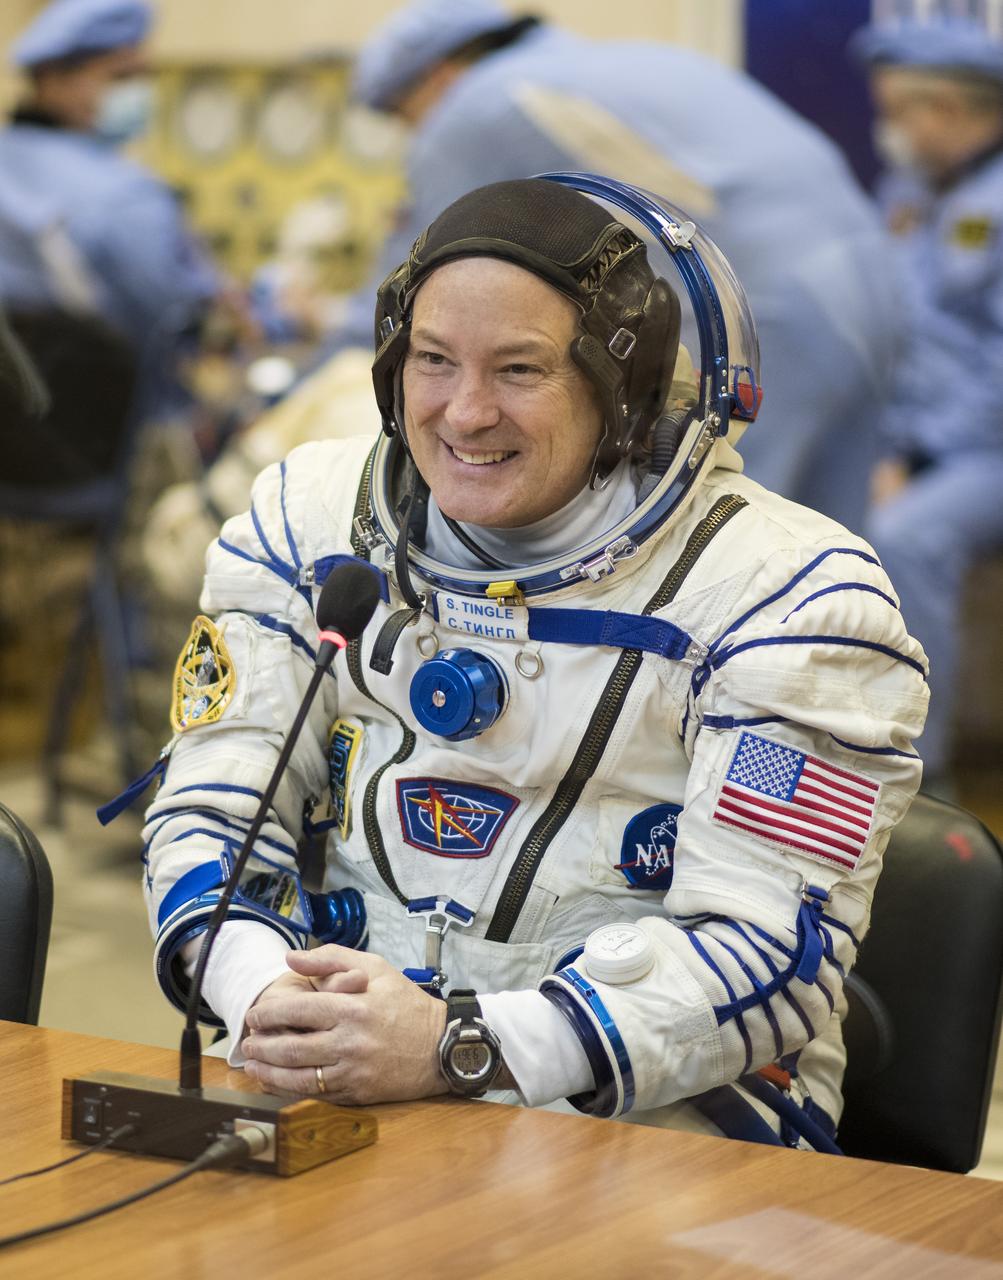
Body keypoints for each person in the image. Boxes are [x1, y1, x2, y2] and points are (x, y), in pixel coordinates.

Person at [133, 176, 928, 1146]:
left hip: (661, 1120)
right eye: (432, 360)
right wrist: (262, 993)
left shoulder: (789, 602)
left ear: (626, 391)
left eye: (520, 370)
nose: (465, 413)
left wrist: (455, 1045)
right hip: (341, 1074)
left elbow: (766, 960)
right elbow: (212, 812)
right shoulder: (307, 523)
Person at [334, 0, 901, 527]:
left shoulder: (477, 105)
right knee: (836, 546)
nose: (415, 134)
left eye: (405, 117)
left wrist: (313, 350)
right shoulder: (621, 60)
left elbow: (410, 285)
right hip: (872, 282)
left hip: (771, 313)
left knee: (724, 541)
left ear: (436, 77)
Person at [852, 17, 1003, 790]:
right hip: (913, 441)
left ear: (944, 108)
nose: (887, 131)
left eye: (895, 112)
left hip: (982, 450)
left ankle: (917, 777)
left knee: (902, 536)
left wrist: (912, 460)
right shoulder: (909, 191)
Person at [0, 0, 220, 408]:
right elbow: (179, 322)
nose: (138, 93)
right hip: (107, 425)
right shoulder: (127, 198)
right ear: (52, 78)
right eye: (121, 76)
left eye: (143, 77)